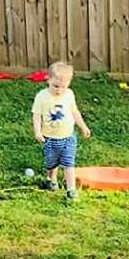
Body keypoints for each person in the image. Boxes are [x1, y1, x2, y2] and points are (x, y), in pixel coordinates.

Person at [31, 61, 91, 201]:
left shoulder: (69, 95)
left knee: (69, 163)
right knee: (52, 163)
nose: (59, 90)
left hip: (68, 137)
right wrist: (37, 131)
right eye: (55, 86)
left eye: (63, 87)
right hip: (50, 138)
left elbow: (75, 112)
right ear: (48, 79)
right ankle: (51, 179)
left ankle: (71, 190)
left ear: (69, 84)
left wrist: (83, 126)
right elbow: (36, 115)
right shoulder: (42, 96)